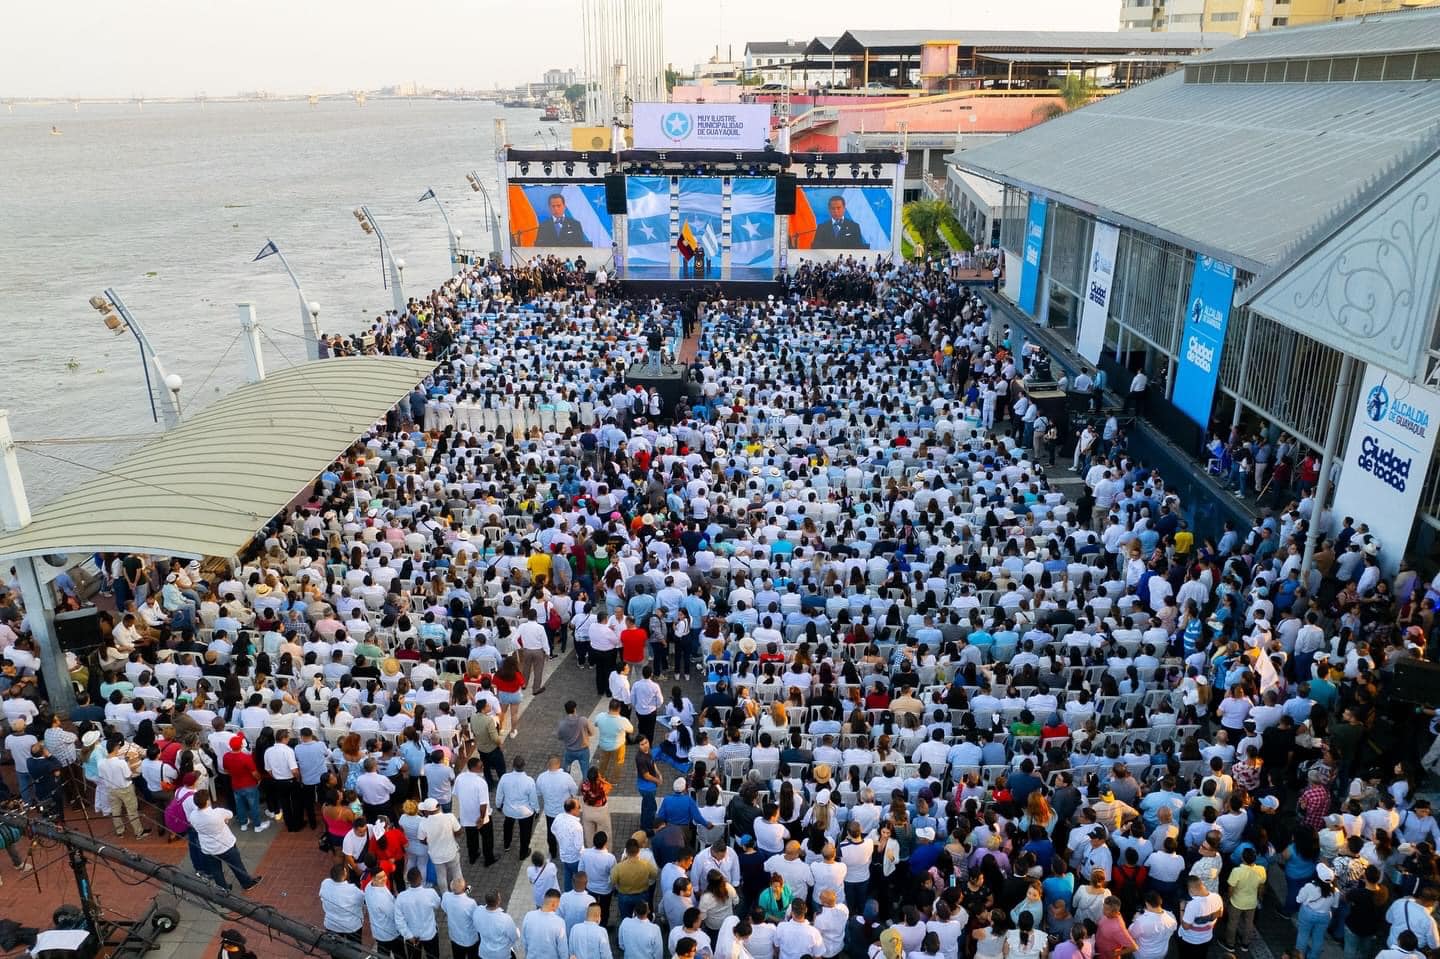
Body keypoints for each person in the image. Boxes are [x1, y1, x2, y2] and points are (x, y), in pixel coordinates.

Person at [188, 790, 261, 892]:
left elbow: (193, 825)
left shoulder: (193, 815)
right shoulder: (217, 812)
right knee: (237, 865)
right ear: (207, 801)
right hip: (226, 845)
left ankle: (223, 889)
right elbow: (230, 814)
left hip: (208, 848)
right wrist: (224, 820)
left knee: (216, 870)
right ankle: (247, 883)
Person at [497, 755, 539, 858]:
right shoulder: (529, 781)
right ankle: (523, 852)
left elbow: (499, 794)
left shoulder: (504, 778)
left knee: (508, 827)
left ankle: (506, 845)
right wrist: (537, 810)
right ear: (524, 766)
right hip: (525, 812)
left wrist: (498, 805)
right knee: (525, 832)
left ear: (513, 765)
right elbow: (533, 799)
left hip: (509, 810)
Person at [396, 867, 442, 959]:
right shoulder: (430, 893)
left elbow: (399, 920)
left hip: (412, 936)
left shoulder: (401, 897)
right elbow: (437, 904)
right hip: (430, 934)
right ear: (421, 878)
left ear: (408, 881)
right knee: (433, 957)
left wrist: (408, 935)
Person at [419, 797, 464, 892]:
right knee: (457, 874)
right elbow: (459, 831)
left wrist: (431, 841)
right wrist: (452, 836)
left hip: (436, 856)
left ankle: (445, 895)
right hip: (452, 852)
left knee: (441, 877)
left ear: (427, 811)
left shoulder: (423, 823)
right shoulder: (450, 817)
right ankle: (460, 891)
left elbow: (421, 840)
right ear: (438, 807)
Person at [1177, 875, 1222, 959]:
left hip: (1190, 940)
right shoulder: (1217, 897)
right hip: (1207, 938)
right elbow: (1220, 914)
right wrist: (1207, 918)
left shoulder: (1193, 904)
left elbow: (1185, 926)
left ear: (1190, 890)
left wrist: (1182, 908)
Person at [319, 863, 366, 941]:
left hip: (331, 924)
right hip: (351, 926)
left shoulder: (325, 883)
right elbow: (362, 901)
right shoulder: (352, 890)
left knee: (334, 946)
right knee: (354, 947)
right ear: (344, 875)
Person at [365, 868, 405, 957]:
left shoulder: (369, 886)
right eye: (380, 877)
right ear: (373, 879)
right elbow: (395, 915)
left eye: (384, 875)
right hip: (391, 933)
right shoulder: (380, 899)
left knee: (383, 954)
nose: (384, 879)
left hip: (378, 932)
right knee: (400, 955)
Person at [523, 889, 570, 959]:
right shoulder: (560, 922)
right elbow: (563, 950)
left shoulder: (528, 916)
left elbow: (525, 941)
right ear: (554, 904)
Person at [442, 876, 481, 959]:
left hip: (455, 938)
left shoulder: (446, 896)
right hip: (470, 939)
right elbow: (476, 919)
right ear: (464, 888)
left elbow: (445, 908)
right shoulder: (471, 903)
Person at [476, 891, 519, 959]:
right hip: (502, 955)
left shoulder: (478, 911)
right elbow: (514, 936)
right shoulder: (506, 919)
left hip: (484, 953)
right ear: (498, 901)